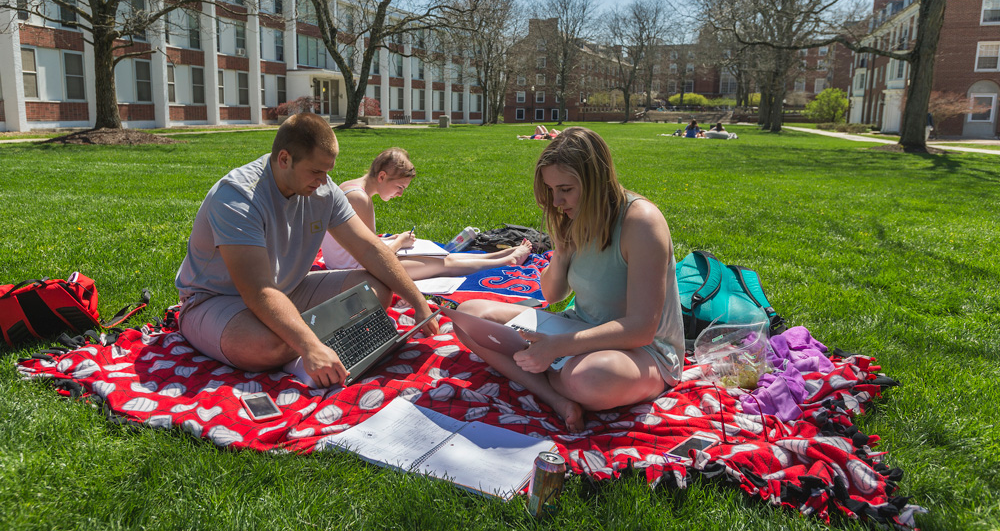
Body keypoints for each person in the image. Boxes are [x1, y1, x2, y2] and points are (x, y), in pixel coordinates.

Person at [175, 114, 437, 388]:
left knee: (376, 292)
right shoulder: (238, 197)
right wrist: (309, 345)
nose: (324, 181)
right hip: (216, 299)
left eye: (328, 171)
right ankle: (305, 352)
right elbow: (258, 290)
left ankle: (304, 343)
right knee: (267, 344)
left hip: (288, 289)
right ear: (284, 159)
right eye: (315, 171)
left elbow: (370, 248)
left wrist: (418, 302)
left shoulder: (324, 189)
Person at [453, 127, 684, 432]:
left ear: (596, 182)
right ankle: (556, 397)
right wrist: (561, 251)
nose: (557, 200)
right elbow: (553, 294)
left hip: (643, 350)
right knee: (468, 317)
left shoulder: (641, 222)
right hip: (579, 328)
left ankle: (546, 372)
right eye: (551, 190)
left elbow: (641, 329)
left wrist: (557, 347)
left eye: (565, 189)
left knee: (591, 378)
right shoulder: (577, 216)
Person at [320, 147, 533, 280]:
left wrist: (392, 239)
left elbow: (359, 239)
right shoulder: (360, 198)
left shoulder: (350, 186)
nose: (400, 195)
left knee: (443, 256)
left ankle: (501, 254)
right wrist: (400, 242)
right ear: (382, 176)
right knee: (443, 264)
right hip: (357, 272)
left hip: (349, 262)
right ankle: (506, 260)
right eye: (400, 187)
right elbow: (374, 256)